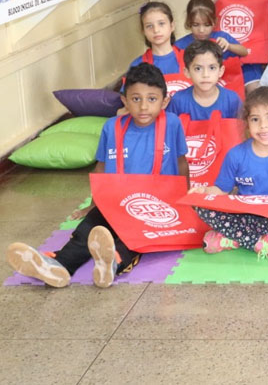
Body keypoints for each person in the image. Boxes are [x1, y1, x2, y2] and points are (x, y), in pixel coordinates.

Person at [6, 64, 189, 288]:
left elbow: (181, 162)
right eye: (136, 99)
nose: (143, 106)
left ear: (164, 101)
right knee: (90, 226)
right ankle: (59, 266)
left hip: (158, 204)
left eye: (152, 99)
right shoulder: (111, 128)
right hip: (119, 200)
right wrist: (94, 204)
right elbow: (101, 168)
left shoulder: (172, 124)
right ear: (124, 101)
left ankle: (112, 263)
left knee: (135, 238)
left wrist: (185, 199)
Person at [188, 87, 268, 260]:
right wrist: (203, 192)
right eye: (255, 119)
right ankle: (263, 244)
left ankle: (232, 238)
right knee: (200, 205)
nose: (263, 126)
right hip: (244, 216)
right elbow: (221, 190)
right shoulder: (235, 154)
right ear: (247, 123)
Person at [205, 0, 264, 86]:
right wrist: (210, 3)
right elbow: (202, 26)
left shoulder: (258, 2)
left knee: (256, 92)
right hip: (222, 60)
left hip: (250, 61)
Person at [166, 40, 242, 120]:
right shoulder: (178, 101)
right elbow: (170, 129)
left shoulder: (232, 100)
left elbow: (242, 129)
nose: (205, 75)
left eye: (212, 68)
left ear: (220, 71)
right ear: (187, 72)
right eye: (198, 68)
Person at [174, 0, 248, 59]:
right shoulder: (180, 45)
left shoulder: (222, 37)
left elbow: (244, 52)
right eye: (195, 25)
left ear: (214, 22)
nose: (201, 30)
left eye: (207, 25)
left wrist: (229, 46)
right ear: (188, 21)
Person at [130, 2, 180, 76]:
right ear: (143, 31)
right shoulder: (137, 66)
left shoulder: (189, 59)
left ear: (172, 26)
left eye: (161, 23)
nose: (156, 30)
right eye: (149, 26)